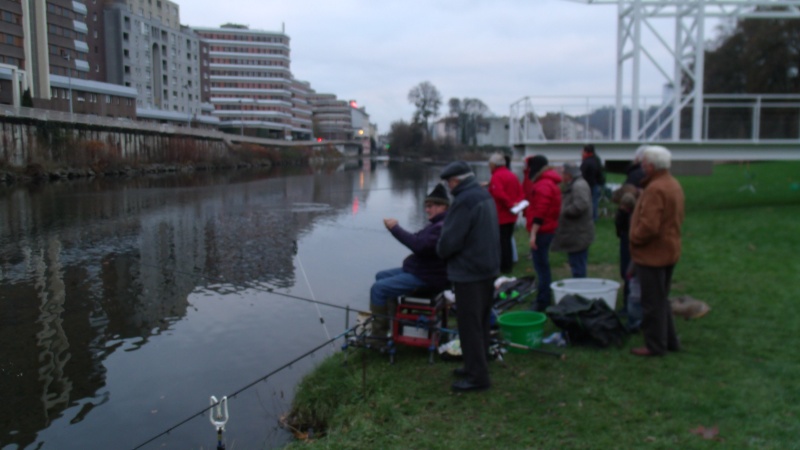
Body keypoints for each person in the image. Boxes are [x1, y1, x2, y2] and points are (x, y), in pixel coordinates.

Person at [437, 161, 499, 392]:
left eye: (449, 182)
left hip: (469, 272)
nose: (448, 187)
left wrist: (440, 249)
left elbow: (450, 242)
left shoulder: (464, 201)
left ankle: (477, 377)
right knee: (481, 320)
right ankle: (478, 363)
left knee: (469, 325)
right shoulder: (482, 194)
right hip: (487, 268)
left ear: (456, 181)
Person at [366, 184, 450, 346]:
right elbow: (418, 240)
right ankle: (393, 323)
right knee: (380, 276)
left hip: (428, 276)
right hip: (423, 270)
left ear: (443, 206)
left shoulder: (441, 227)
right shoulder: (437, 224)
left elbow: (418, 245)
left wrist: (394, 228)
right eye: (426, 206)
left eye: (430, 206)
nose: (427, 210)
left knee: (378, 288)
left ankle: (379, 337)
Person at [629, 145, 685, 357]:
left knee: (652, 303)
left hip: (653, 254)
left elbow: (649, 226)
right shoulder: (673, 184)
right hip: (669, 250)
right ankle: (670, 341)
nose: (642, 167)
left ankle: (655, 346)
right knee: (662, 299)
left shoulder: (655, 189)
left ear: (651, 166)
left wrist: (634, 236)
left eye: (644, 164)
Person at [523, 155, 562, 312]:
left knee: (541, 267)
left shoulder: (543, 185)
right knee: (542, 266)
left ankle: (543, 300)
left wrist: (533, 233)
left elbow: (541, 210)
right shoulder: (548, 182)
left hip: (542, 231)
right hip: (547, 229)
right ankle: (544, 296)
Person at [551, 163, 594, 278]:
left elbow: (581, 205)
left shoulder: (578, 186)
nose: (561, 176)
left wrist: (564, 211)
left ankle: (579, 289)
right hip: (576, 233)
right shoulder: (577, 184)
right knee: (576, 263)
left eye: (563, 173)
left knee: (578, 265)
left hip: (578, 233)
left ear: (568, 175)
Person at [487, 152, 524, 273]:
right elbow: (521, 192)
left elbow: (498, 193)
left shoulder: (496, 177)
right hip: (512, 216)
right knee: (507, 241)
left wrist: (509, 205)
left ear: (493, 164)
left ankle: (504, 266)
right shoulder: (512, 175)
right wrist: (516, 205)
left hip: (501, 215)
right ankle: (508, 265)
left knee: (501, 242)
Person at [580, 144, 605, 222]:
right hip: (595, 183)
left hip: (589, 184)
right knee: (594, 201)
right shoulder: (596, 159)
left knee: (591, 201)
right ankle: (594, 217)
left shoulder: (587, 162)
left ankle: (592, 217)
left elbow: (582, 173)